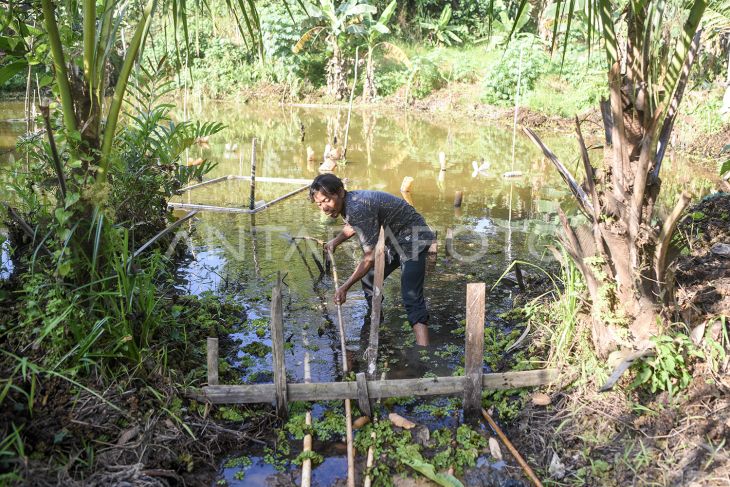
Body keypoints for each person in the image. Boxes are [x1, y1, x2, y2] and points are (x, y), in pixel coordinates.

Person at [309, 174, 435, 346]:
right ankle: (375, 319)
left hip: (414, 238)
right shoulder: (349, 203)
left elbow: (370, 258)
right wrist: (335, 241)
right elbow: (354, 225)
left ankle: (423, 350)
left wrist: (345, 287)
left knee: (411, 295)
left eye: (327, 200)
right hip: (396, 239)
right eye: (319, 204)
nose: (324, 207)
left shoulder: (358, 207)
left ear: (340, 192)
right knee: (369, 279)